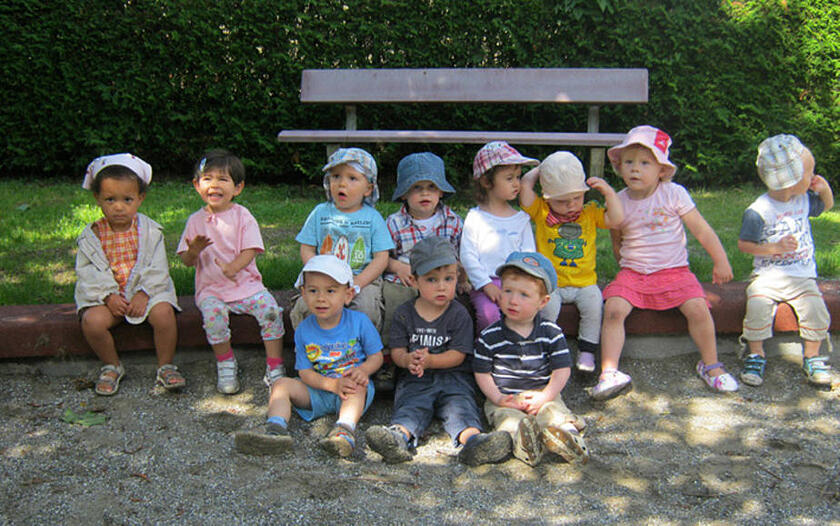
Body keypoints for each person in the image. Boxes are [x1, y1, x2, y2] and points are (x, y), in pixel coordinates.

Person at [594, 125, 738, 400]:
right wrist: (624, 268)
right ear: (620, 167)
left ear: (662, 170)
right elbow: (617, 241)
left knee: (698, 308)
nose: (635, 169)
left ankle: (711, 365)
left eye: (645, 163)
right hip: (633, 272)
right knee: (613, 309)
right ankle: (609, 372)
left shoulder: (673, 193)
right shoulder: (618, 200)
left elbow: (701, 230)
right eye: (629, 162)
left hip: (674, 272)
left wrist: (721, 261)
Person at [365, 237, 511, 466]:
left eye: (448, 279)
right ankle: (397, 437)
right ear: (414, 281)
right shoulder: (405, 313)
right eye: (432, 279)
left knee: (461, 408)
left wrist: (431, 361)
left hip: (454, 377)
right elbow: (397, 351)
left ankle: (473, 442)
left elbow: (458, 355)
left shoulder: (459, 314)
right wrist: (407, 359)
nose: (441, 286)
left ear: (457, 278)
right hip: (416, 378)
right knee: (410, 406)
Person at [234, 255, 384, 458]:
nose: (321, 298)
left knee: (358, 386)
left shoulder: (359, 322)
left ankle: (344, 431)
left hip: (351, 391)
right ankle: (275, 429)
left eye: (330, 291)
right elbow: (305, 372)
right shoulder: (304, 329)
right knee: (280, 385)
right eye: (313, 291)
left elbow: (376, 356)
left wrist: (363, 370)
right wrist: (332, 385)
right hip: (318, 390)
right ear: (303, 294)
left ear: (348, 294)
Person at [177, 150, 286, 394]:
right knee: (213, 318)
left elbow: (251, 249)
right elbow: (186, 261)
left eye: (222, 179)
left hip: (247, 285)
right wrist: (193, 251)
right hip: (212, 290)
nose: (214, 185)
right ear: (196, 185)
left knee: (271, 312)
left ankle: (275, 365)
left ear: (238, 187)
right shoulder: (195, 221)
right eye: (207, 179)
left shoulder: (242, 216)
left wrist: (233, 267)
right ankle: (225, 362)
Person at [75, 153, 184, 395]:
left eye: (127, 199)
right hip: (109, 298)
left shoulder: (151, 232)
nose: (118, 207)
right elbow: (87, 272)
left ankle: (166, 365)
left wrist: (144, 293)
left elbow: (158, 267)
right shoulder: (91, 236)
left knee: (164, 314)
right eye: (110, 199)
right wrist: (108, 296)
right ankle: (112, 365)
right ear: (97, 198)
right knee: (92, 322)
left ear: (140, 198)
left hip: (145, 293)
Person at [474, 252, 589, 466]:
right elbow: (482, 372)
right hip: (506, 398)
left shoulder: (551, 333)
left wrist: (546, 395)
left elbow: (562, 370)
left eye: (524, 295)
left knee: (554, 413)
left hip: (542, 393)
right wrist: (498, 397)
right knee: (508, 421)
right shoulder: (490, 336)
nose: (513, 300)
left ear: (543, 302)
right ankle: (526, 446)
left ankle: (570, 439)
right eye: (508, 291)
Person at [738, 134, 835, 387]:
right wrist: (774, 248)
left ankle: (812, 356)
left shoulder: (804, 200)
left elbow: (827, 206)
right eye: (809, 173)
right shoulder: (759, 211)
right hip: (767, 277)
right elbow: (744, 245)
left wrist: (825, 190)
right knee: (757, 306)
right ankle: (755, 354)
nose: (814, 177)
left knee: (815, 309)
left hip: (802, 276)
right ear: (789, 180)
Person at [519, 151, 624, 372]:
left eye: (577, 198)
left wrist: (609, 193)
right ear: (548, 198)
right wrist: (539, 171)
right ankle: (546, 349)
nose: (571, 205)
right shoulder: (542, 210)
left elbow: (616, 219)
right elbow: (525, 192)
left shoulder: (589, 212)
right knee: (547, 310)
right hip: (552, 283)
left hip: (585, 283)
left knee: (594, 307)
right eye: (563, 201)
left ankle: (587, 352)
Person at [380, 152, 464, 390]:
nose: (425, 193)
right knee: (394, 300)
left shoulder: (453, 222)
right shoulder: (394, 223)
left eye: (431, 187)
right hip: (404, 278)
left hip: (439, 278)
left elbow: (461, 256)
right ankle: (390, 357)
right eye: (417, 188)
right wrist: (397, 266)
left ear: (441, 192)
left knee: (451, 303)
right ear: (404, 194)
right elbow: (383, 257)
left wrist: (462, 279)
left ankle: (446, 353)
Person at [290, 148, 394, 333]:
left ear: (368, 189)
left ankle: (360, 346)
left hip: (361, 278)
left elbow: (381, 258)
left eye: (352, 178)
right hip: (323, 278)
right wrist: (317, 273)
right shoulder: (320, 213)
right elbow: (307, 248)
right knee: (304, 308)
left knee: (365, 308)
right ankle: (312, 344)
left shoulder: (373, 218)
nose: (342, 184)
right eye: (336, 176)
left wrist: (358, 282)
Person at [461, 141, 537, 333]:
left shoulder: (521, 219)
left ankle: (520, 346)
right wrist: (486, 285)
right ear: (487, 182)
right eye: (509, 178)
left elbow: (529, 255)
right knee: (489, 315)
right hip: (485, 283)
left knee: (525, 313)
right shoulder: (475, 218)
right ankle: (487, 347)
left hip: (517, 282)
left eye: (518, 177)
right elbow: (468, 256)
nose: (517, 184)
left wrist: (521, 285)